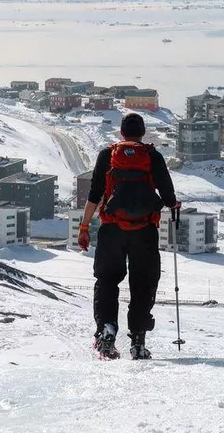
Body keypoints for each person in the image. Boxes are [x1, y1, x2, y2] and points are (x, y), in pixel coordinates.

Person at [78, 113, 178, 360]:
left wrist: (83, 227)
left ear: (121, 133)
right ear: (142, 133)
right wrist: (173, 204)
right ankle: (138, 341)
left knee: (107, 280)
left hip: (111, 229)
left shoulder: (107, 155)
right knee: (143, 284)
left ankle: (107, 328)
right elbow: (168, 196)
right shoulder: (152, 156)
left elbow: (94, 195)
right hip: (144, 231)